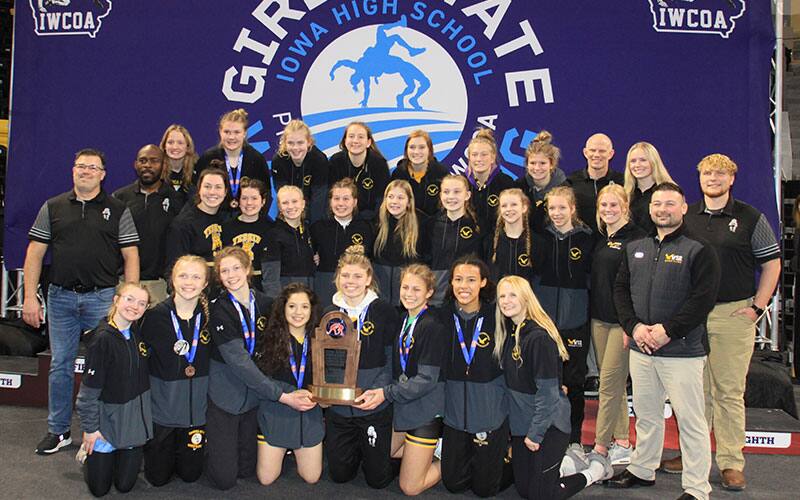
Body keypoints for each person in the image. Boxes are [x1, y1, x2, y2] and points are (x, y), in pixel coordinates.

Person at [609, 182, 721, 500]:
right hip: (642, 348)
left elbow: (703, 299)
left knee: (691, 421)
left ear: (683, 208)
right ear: (650, 208)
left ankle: (697, 488)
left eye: (670, 204)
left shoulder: (699, 249)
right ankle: (642, 469)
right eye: (657, 204)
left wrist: (667, 331)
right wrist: (634, 327)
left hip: (682, 351)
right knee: (646, 414)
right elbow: (621, 290)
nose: (663, 210)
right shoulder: (636, 247)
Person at [676, 154, 782, 491]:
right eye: (707, 173)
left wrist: (757, 307)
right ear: (700, 178)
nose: (713, 178)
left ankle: (731, 462)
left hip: (732, 314)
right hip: (693, 315)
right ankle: (693, 456)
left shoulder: (750, 217)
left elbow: (773, 264)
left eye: (720, 173)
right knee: (695, 392)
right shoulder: (687, 216)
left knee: (728, 392)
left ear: (732, 179)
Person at [26, 148, 140, 456]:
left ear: (103, 174)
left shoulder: (118, 209)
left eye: (93, 167)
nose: (86, 171)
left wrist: (129, 298)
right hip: (60, 298)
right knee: (60, 365)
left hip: (102, 299)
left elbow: (130, 255)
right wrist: (29, 297)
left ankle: (104, 431)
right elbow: (35, 253)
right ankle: (59, 431)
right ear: (73, 170)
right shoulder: (53, 207)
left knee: (107, 366)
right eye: (81, 166)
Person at [496, 276, 613, 500]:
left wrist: (535, 434)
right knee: (523, 490)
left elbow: (548, 395)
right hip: (523, 425)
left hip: (548, 426)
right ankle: (567, 464)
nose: (506, 301)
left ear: (526, 298)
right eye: (502, 296)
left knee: (541, 494)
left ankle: (595, 471)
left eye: (512, 295)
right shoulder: (509, 333)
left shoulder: (539, 338)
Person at [357, 264, 446, 496]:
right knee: (375, 454)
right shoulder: (403, 319)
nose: (409, 294)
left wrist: (386, 392)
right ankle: (423, 453)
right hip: (403, 406)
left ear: (429, 292)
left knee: (409, 487)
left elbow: (426, 379)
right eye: (405, 287)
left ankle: (453, 458)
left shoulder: (433, 326)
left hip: (425, 409)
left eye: (416, 289)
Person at [205, 247, 278, 490]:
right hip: (226, 393)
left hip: (254, 396)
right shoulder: (219, 309)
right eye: (224, 271)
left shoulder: (267, 303)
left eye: (236, 268)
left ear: (247, 269)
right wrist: (276, 393)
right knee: (225, 480)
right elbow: (238, 360)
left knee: (247, 470)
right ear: (219, 276)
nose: (231, 275)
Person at [440, 255, 511, 497]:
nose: (464, 286)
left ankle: (513, 461)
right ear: (451, 282)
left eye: (471, 280)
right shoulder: (441, 317)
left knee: (484, 489)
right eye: (458, 279)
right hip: (455, 416)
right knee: (453, 484)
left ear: (483, 282)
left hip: (489, 415)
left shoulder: (498, 317)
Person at [327, 247, 398, 489]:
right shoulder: (329, 313)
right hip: (339, 409)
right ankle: (359, 450)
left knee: (377, 480)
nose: (351, 281)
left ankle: (388, 455)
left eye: (358, 276)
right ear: (338, 278)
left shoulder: (384, 311)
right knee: (339, 475)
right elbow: (322, 359)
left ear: (368, 279)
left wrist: (378, 391)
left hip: (372, 405)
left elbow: (391, 359)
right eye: (345, 275)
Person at [531, 186, 594, 456]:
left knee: (574, 382)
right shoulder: (540, 238)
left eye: (561, 208)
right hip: (545, 322)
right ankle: (541, 434)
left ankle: (574, 440)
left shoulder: (587, 238)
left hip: (575, 320)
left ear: (572, 209)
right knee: (542, 379)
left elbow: (591, 280)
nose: (556, 213)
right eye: (552, 208)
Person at [75, 282, 152, 497]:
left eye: (142, 303)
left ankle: (121, 454)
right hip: (107, 422)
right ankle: (89, 453)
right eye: (129, 299)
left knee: (124, 485)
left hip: (132, 422)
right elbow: (87, 395)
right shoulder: (102, 340)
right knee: (100, 489)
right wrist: (90, 429)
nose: (135, 306)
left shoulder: (137, 333)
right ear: (116, 300)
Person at [140, 255, 211, 486]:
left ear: (205, 283)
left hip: (196, 415)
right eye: (183, 276)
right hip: (163, 413)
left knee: (191, 476)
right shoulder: (154, 317)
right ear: (172, 279)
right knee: (157, 478)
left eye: (196, 277)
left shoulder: (210, 317)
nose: (189, 282)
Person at [589, 185, 645, 465]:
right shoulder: (601, 238)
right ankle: (622, 442)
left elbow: (639, 285)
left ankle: (600, 447)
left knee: (609, 386)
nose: (608, 210)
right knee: (613, 383)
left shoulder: (637, 238)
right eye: (603, 205)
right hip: (599, 320)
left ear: (625, 206)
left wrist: (630, 324)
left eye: (614, 205)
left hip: (621, 324)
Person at [254, 283, 323, 485]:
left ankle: (294, 448)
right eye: (292, 306)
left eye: (304, 306)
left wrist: (323, 396)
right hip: (277, 412)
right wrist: (289, 394)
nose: (298, 312)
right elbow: (260, 380)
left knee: (311, 477)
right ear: (283, 308)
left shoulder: (321, 339)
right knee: (267, 479)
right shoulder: (267, 338)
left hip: (309, 413)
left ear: (312, 310)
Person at [113, 144, 183, 302]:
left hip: (160, 284)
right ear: (135, 164)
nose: (147, 165)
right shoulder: (120, 198)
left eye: (154, 161)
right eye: (143, 161)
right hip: (123, 281)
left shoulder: (176, 199)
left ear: (164, 165)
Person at [311, 179, 375, 308]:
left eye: (346, 199)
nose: (341, 203)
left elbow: (371, 258)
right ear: (330, 202)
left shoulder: (367, 228)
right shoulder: (317, 228)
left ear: (354, 202)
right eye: (336, 198)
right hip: (324, 283)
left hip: (355, 285)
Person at [194, 108, 271, 211]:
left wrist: (256, 218)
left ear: (244, 133)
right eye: (227, 132)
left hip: (247, 218)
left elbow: (266, 194)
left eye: (237, 132)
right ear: (220, 132)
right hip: (214, 217)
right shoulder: (207, 158)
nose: (231, 137)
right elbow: (195, 191)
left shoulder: (256, 159)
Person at [428, 174, 483, 305]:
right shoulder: (431, 224)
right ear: (440, 195)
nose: (451, 196)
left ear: (467, 195)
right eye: (446, 192)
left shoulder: (479, 226)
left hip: (466, 292)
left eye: (457, 192)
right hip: (437, 294)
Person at [165, 164, 228, 274]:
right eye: (207, 186)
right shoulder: (182, 225)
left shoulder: (228, 219)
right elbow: (173, 269)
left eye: (218, 187)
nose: (212, 192)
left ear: (225, 191)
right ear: (198, 189)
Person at [372, 180, 426, 305]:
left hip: (407, 292)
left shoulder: (422, 222)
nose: (394, 201)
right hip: (381, 288)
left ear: (409, 201)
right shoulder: (376, 221)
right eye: (390, 197)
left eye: (400, 198)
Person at [270, 119, 330, 223]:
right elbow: (283, 196)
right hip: (289, 211)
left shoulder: (319, 160)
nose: (295, 148)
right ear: (284, 143)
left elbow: (319, 199)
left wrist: (313, 226)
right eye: (290, 143)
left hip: (315, 211)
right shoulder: (278, 161)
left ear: (309, 142)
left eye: (300, 143)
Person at [328, 122, 390, 220]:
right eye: (351, 136)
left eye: (360, 137)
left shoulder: (379, 164)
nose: (355, 141)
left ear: (368, 142)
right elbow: (329, 195)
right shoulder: (336, 162)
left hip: (370, 220)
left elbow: (382, 199)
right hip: (340, 217)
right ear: (345, 140)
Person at [221, 177, 274, 292]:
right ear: (238, 201)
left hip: (262, 289)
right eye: (244, 198)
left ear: (263, 201)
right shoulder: (226, 228)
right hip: (233, 286)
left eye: (254, 198)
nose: (249, 203)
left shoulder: (271, 228)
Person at [261, 185, 315, 296]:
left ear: (303, 204)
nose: (290, 206)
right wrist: (277, 303)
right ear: (279, 207)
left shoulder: (309, 231)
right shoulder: (273, 234)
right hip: (286, 296)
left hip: (308, 294)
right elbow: (270, 279)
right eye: (285, 203)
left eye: (295, 201)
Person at [567, 133, 624, 232]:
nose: (597, 155)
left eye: (602, 151)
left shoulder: (622, 182)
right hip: (582, 239)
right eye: (592, 150)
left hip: (615, 239)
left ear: (611, 154)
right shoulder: (571, 182)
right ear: (585, 152)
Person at [515, 130, 567, 233]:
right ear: (527, 165)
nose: (537, 168)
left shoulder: (565, 188)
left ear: (551, 164)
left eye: (542, 163)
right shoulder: (518, 188)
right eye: (532, 163)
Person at [465, 129, 515, 231]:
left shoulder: (506, 183)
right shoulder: (462, 184)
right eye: (474, 155)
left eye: (484, 154)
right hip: (467, 238)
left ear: (493, 158)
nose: (479, 159)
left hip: (497, 238)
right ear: (469, 158)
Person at [390, 130, 448, 217]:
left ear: (429, 150)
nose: (416, 152)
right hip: (405, 222)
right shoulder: (398, 174)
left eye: (422, 147)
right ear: (406, 150)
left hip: (435, 223)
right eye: (412, 147)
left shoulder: (441, 173)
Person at [623, 142, 674, 234]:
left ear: (654, 162)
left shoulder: (669, 192)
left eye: (643, 160)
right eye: (633, 161)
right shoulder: (625, 194)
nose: (637, 165)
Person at [490, 188, 534, 282]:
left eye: (514, 204)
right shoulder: (489, 241)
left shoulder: (537, 242)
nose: (509, 209)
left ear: (524, 208)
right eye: (504, 206)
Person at [159, 124, 198, 204]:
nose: (175, 147)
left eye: (180, 143)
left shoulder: (198, 172)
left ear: (187, 147)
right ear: (164, 146)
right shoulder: (156, 173)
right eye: (170, 142)